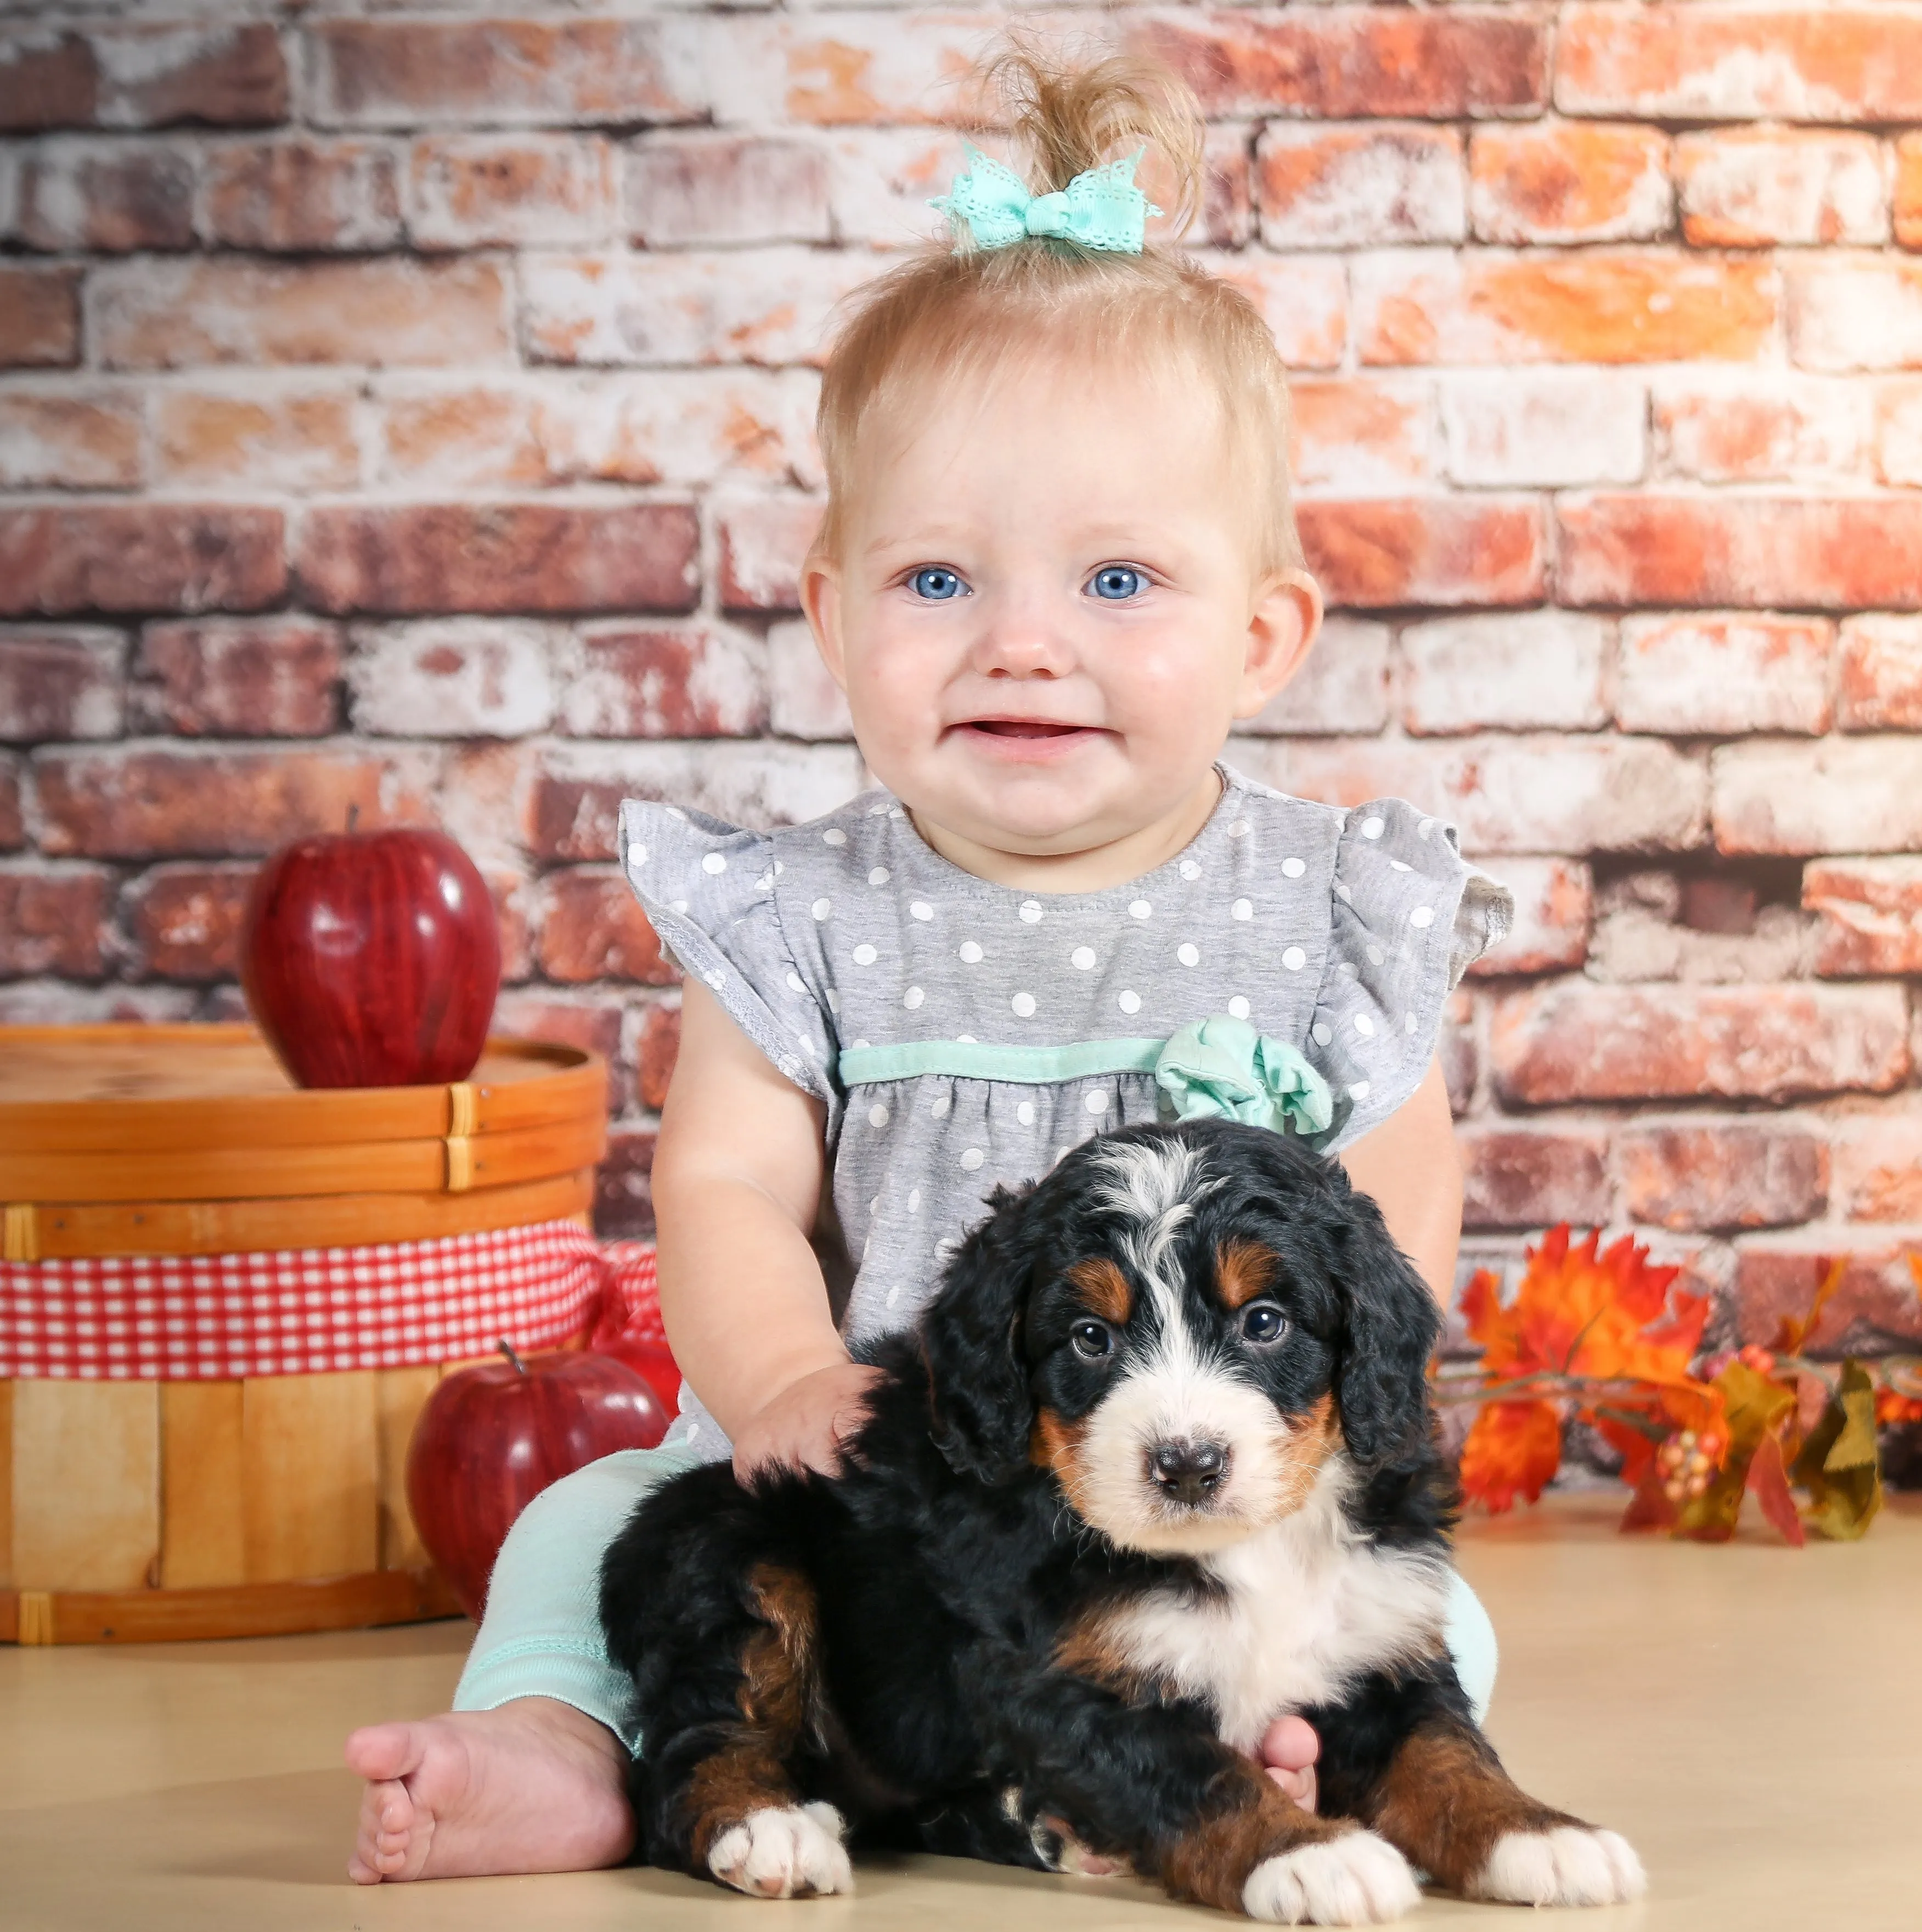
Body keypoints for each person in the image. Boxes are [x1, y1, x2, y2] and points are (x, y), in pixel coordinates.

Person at [346, 40, 1509, 1886]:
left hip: (1194, 1501)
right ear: (829, 613)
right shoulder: (804, 911)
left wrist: (1326, 1435)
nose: (1021, 648)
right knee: (585, 1521)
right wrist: (787, 1375)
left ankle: (1244, 1753)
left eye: (1117, 583)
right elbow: (720, 1177)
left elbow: (1386, 1196)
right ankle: (569, 1747)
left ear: (1265, 633)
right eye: (939, 582)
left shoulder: (1317, 906)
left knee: (1440, 1618)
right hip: (879, 1518)